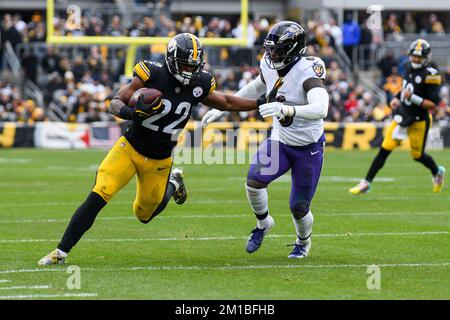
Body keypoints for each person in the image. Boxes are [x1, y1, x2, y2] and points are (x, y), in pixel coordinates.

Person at [38, 33, 264, 265]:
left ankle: (173, 183)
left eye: (193, 66)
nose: (189, 71)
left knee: (144, 214)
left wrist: (261, 102)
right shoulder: (153, 73)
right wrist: (131, 113)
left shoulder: (200, 83)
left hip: (160, 159)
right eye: (185, 64)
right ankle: (61, 252)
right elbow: (115, 102)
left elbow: (226, 102)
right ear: (172, 59)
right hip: (130, 148)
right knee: (100, 192)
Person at [203, 21, 329, 259]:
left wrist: (288, 110)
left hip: (308, 146)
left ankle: (303, 242)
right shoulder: (269, 64)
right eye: (270, 48)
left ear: (293, 49)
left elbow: (321, 107)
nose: (271, 54)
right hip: (280, 140)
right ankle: (263, 224)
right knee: (254, 181)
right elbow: (257, 85)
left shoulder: (308, 68)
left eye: (277, 49)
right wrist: (223, 107)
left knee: (299, 207)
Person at [349, 39, 445, 195]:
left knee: (417, 155)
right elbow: (405, 89)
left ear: (426, 57)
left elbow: (433, 104)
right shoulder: (407, 67)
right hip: (403, 116)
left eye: (418, 57)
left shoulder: (431, 75)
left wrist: (412, 98)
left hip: (419, 120)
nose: (415, 59)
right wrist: (396, 98)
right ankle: (366, 182)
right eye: (413, 56)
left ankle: (437, 171)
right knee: (384, 150)